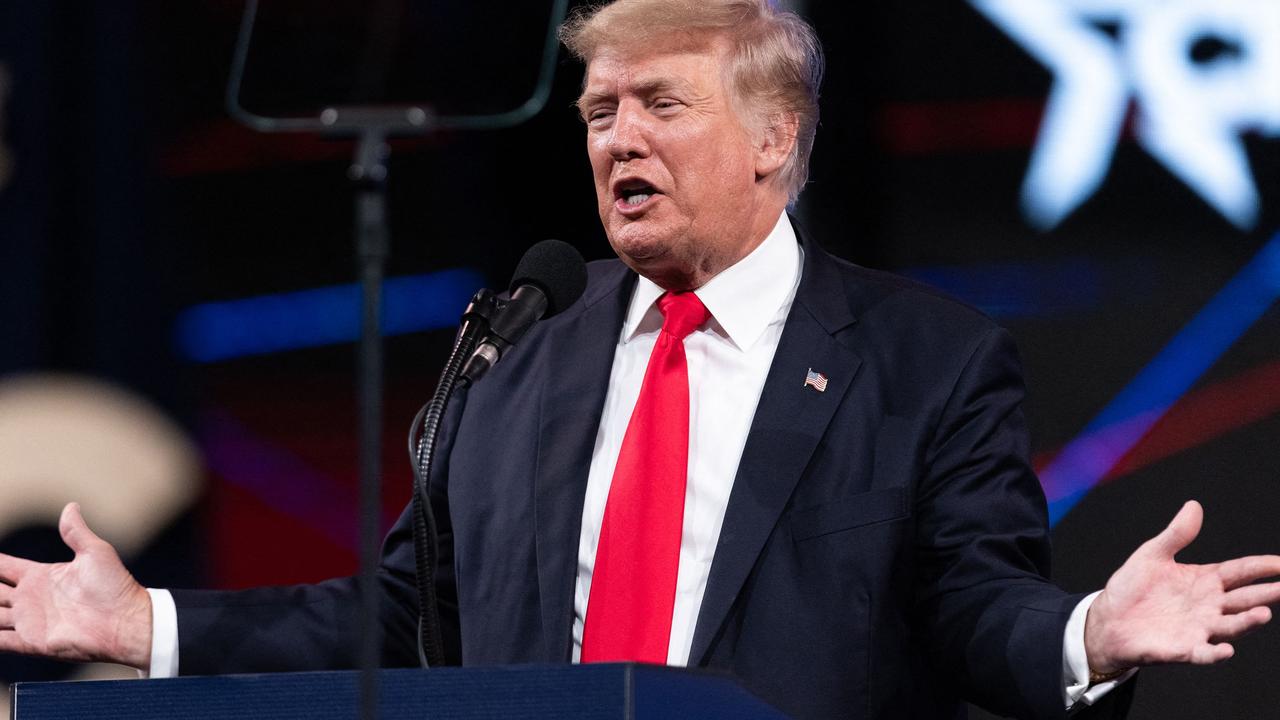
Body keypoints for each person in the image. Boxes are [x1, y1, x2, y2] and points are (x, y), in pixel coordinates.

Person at [2, 1, 1279, 717]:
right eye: (600, 112)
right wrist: (146, 624)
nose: (621, 140)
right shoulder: (516, 349)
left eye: (663, 105)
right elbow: (402, 619)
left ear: (776, 137)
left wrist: (1086, 637)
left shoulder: (923, 360)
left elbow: (968, 606)